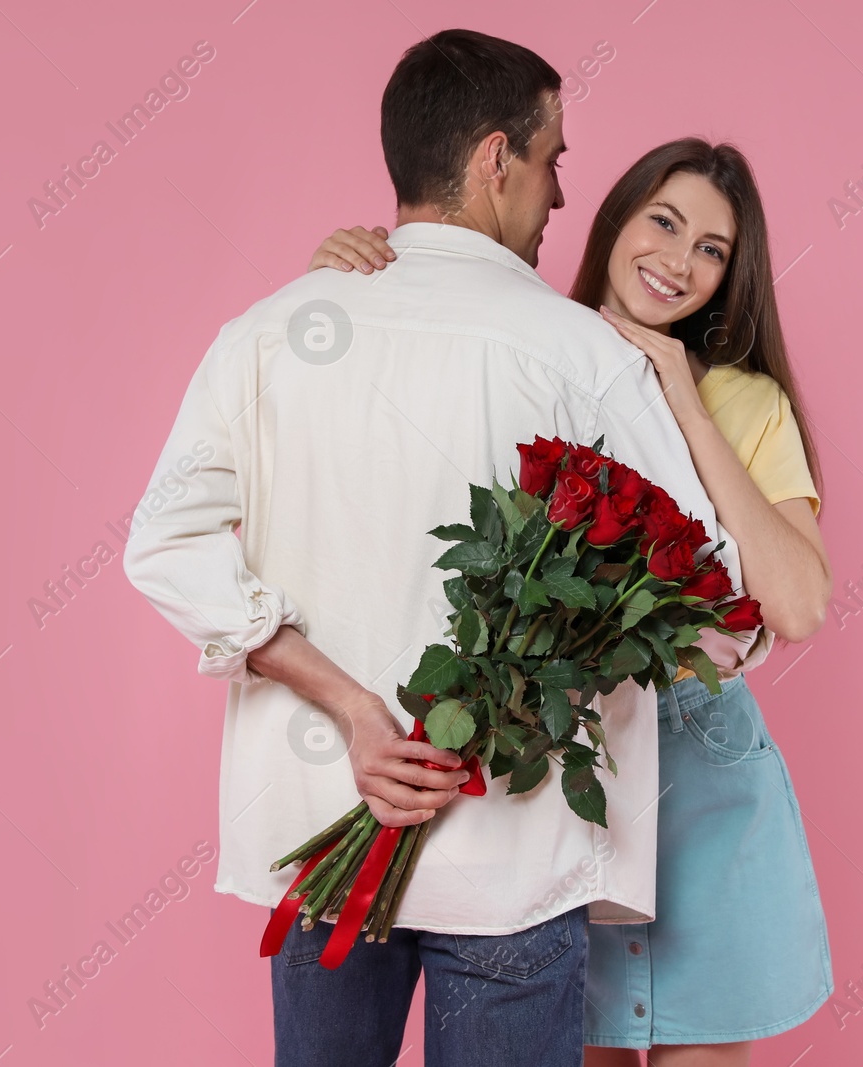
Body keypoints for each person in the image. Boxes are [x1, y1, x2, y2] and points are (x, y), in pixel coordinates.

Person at [122, 31, 744, 1067]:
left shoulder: (273, 330)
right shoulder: (581, 352)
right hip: (513, 850)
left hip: (321, 817)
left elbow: (165, 544)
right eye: (552, 161)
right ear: (496, 158)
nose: (556, 198)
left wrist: (351, 707)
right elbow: (707, 598)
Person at [308, 138, 835, 1066]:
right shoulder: (525, 343)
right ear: (614, 220)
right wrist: (345, 286)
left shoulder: (749, 402)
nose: (679, 261)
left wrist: (682, 389)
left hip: (703, 774)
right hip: (550, 758)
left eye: (712, 249)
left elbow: (796, 605)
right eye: (664, 223)